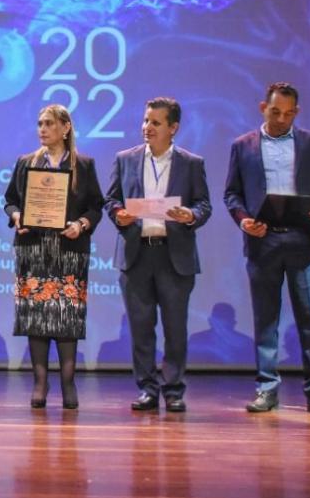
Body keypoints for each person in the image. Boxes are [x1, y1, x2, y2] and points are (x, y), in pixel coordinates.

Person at [223, 82, 310, 415]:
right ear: (263, 108)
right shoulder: (242, 145)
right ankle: (267, 388)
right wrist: (244, 220)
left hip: (303, 239)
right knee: (266, 318)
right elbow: (232, 194)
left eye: (288, 114)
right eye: (275, 112)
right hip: (263, 240)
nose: (281, 119)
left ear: (297, 112)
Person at [104, 97, 211, 413]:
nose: (147, 127)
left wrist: (189, 215)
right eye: (145, 121)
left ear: (173, 128)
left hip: (173, 256)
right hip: (137, 254)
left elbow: (204, 205)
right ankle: (148, 388)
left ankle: (174, 389)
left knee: (176, 328)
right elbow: (111, 200)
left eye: (155, 122)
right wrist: (119, 214)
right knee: (140, 327)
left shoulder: (191, 163)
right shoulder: (126, 159)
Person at [3, 104, 104, 409]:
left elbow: (95, 206)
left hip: (69, 251)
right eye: (39, 124)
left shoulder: (83, 165)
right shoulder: (25, 163)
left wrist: (82, 224)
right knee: (36, 317)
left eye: (48, 123)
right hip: (33, 249)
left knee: (66, 317)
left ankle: (68, 382)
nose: (42, 129)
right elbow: (9, 201)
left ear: (65, 127)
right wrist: (18, 215)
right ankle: (40, 382)